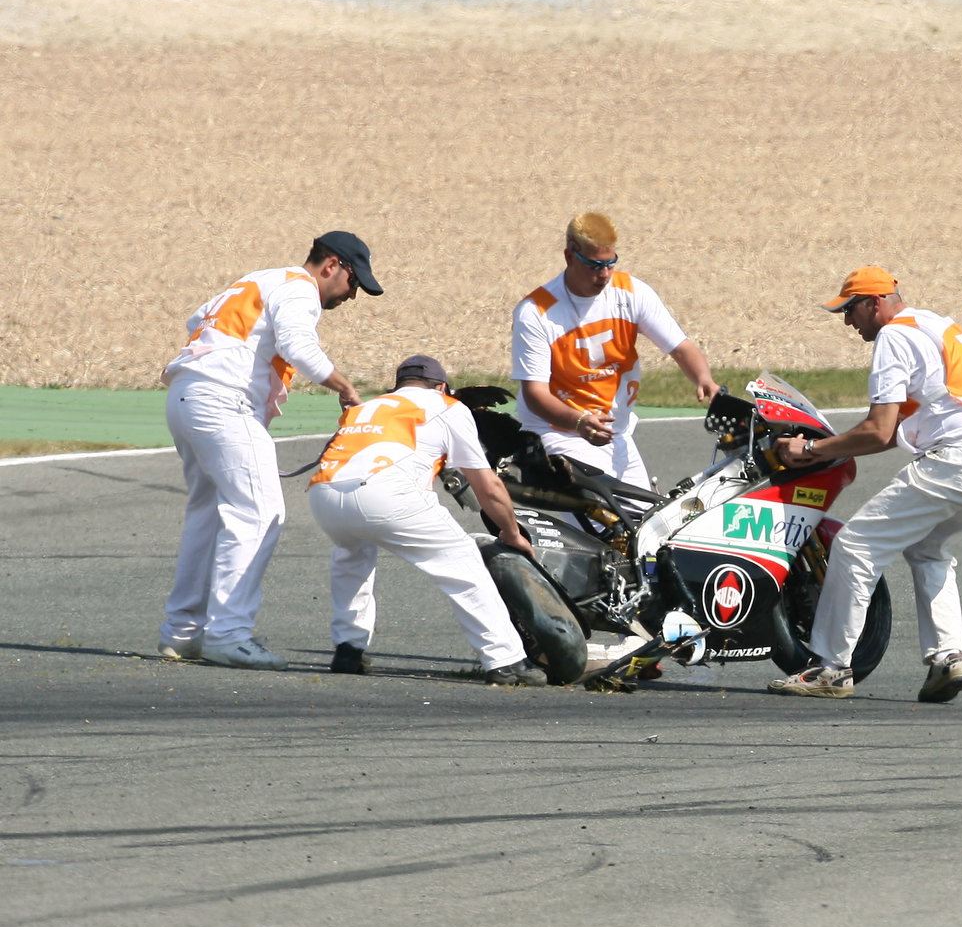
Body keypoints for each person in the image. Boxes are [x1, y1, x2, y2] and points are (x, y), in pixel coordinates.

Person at [767, 267, 962, 703]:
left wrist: (810, 450)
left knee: (854, 546)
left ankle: (830, 667)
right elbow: (885, 432)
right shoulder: (936, 323)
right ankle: (948, 657)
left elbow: (878, 430)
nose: (849, 322)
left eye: (850, 310)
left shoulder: (892, 337)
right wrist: (833, 448)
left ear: (875, 303)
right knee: (927, 549)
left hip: (959, 460)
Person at [158, 230, 382, 671]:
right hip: (223, 401)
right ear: (332, 265)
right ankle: (228, 634)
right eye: (354, 283)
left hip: (187, 395)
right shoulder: (299, 289)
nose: (353, 296)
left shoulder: (263, 279)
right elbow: (297, 346)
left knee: (209, 513)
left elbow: (196, 321)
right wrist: (344, 386)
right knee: (260, 512)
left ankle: (184, 632)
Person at [305, 354, 545, 687]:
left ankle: (348, 650)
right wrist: (510, 531)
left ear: (398, 386)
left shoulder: (367, 407)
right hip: (385, 492)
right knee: (463, 563)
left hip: (324, 495)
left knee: (351, 557)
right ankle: (505, 660)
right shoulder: (447, 406)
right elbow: (486, 485)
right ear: (442, 386)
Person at [510, 212, 718, 491]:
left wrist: (704, 379)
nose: (605, 274)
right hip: (559, 434)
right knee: (601, 527)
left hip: (614, 434)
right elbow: (534, 394)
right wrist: (580, 421)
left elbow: (681, 348)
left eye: (610, 263)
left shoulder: (631, 292)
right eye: (595, 265)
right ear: (570, 256)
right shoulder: (535, 312)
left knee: (646, 527)